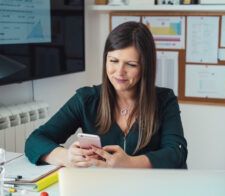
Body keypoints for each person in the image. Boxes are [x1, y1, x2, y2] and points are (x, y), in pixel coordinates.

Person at [25, 22, 188, 168]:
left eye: (131, 64)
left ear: (146, 67)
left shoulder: (164, 100)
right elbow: (35, 140)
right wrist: (66, 157)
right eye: (113, 61)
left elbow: (176, 152)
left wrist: (130, 163)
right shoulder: (86, 99)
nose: (119, 72)